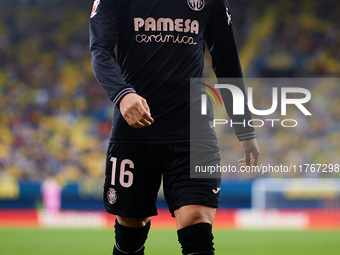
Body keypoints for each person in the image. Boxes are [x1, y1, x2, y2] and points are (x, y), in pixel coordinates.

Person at [89, 0, 260, 254]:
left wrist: (244, 127)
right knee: (131, 229)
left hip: (193, 129)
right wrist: (123, 94)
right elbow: (100, 51)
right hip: (136, 129)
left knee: (197, 222)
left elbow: (226, 61)